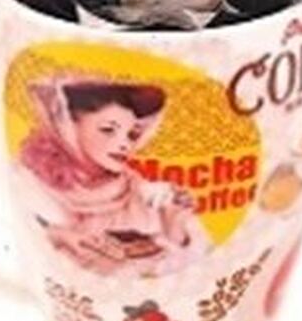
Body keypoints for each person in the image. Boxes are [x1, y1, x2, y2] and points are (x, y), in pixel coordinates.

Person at [14, 78, 207, 276]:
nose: (125, 145)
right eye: (108, 130)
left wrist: (174, 229)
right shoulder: (31, 182)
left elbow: (186, 274)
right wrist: (56, 236)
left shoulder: (143, 192)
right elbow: (27, 242)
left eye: (132, 135)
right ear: (67, 127)